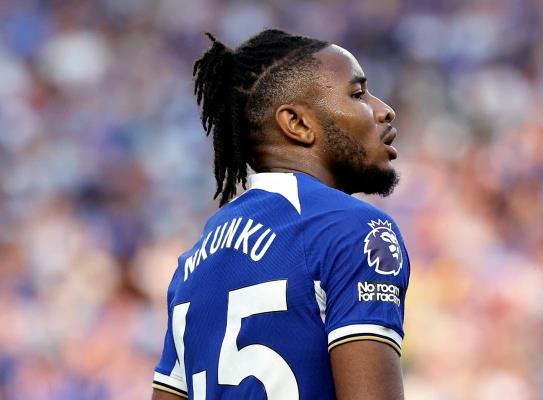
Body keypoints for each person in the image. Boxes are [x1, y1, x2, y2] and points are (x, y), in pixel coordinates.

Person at [151, 29, 410, 400]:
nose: (384, 110)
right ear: (298, 124)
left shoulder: (192, 264)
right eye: (357, 94)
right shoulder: (354, 228)